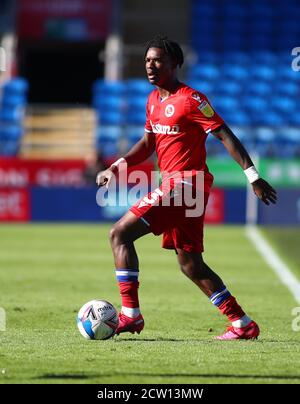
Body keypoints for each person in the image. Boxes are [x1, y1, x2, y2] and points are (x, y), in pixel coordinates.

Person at [96, 35, 277, 340]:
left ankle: (131, 315)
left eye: (158, 60)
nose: (150, 66)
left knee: (119, 233)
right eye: (147, 60)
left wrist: (253, 175)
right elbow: (147, 145)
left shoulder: (192, 100)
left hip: (187, 183)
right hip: (175, 184)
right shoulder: (153, 100)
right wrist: (117, 166)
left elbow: (225, 136)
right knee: (191, 264)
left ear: (175, 64)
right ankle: (242, 324)